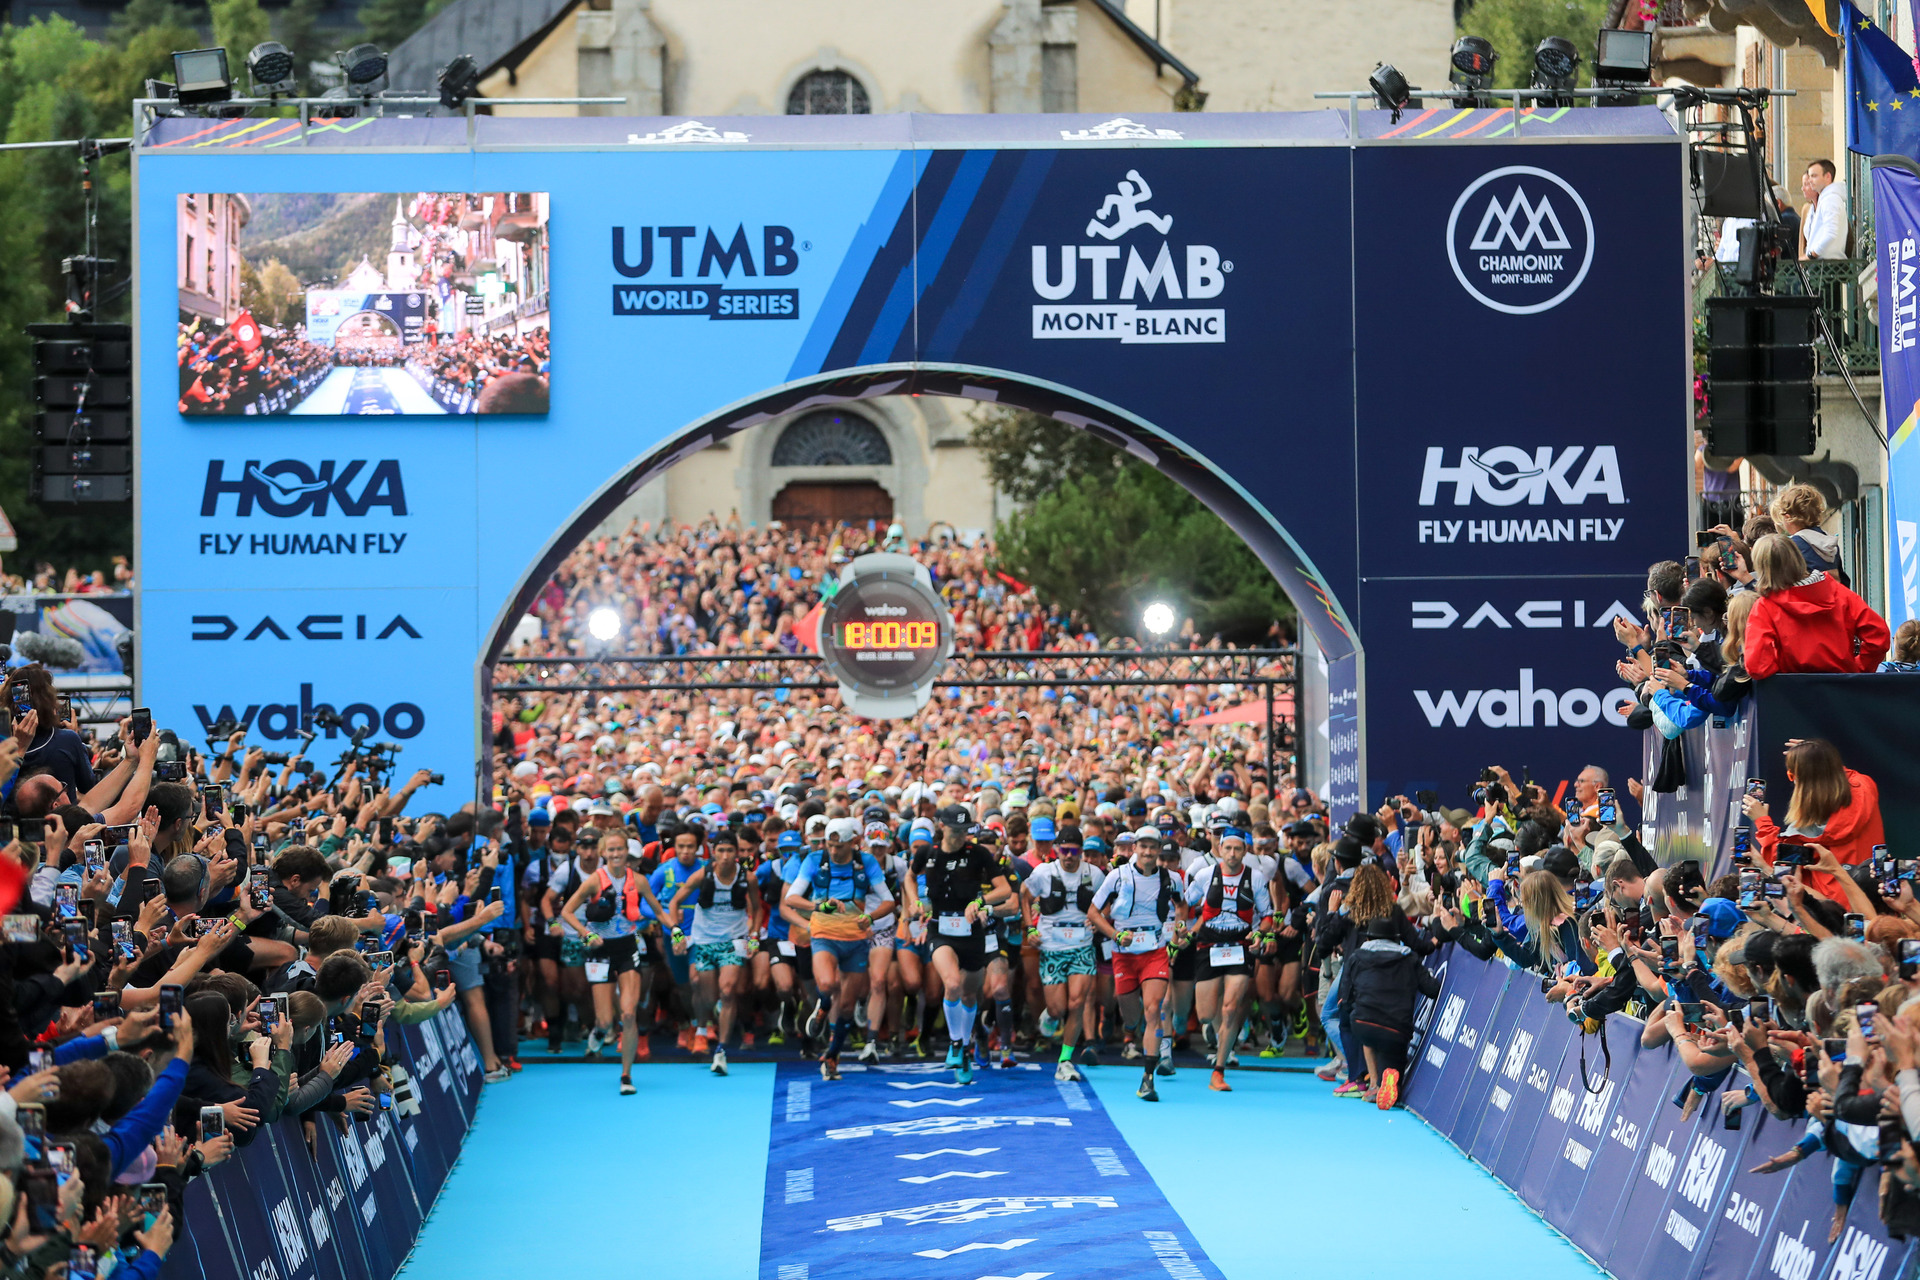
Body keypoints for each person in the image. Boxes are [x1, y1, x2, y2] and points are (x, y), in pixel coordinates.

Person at [558, 839, 672, 1096]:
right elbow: (567, 911)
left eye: (620, 849)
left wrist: (674, 930)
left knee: (629, 1013)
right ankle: (598, 1031)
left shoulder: (639, 880)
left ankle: (626, 1074)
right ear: (604, 854)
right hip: (599, 950)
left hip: (627, 948)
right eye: (611, 850)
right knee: (605, 1020)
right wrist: (585, 934)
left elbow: (658, 911)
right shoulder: (594, 880)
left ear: (627, 853)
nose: (616, 854)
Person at [783, 816, 893, 1080]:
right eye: (829, 846)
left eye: (839, 846)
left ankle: (832, 1055)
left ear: (852, 843)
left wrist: (871, 917)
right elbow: (791, 898)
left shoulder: (865, 862)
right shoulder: (814, 860)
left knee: (846, 1007)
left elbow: (888, 901)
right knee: (828, 984)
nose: (833, 851)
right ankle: (821, 1008)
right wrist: (819, 906)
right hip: (824, 934)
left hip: (855, 939)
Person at [910, 804, 1008, 1085]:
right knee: (951, 983)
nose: (961, 836)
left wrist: (980, 901)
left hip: (972, 931)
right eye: (956, 831)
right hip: (941, 927)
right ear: (942, 826)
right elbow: (909, 876)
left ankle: (965, 1048)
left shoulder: (977, 853)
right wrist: (914, 900)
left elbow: (1002, 889)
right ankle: (955, 1043)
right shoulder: (927, 853)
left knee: (968, 994)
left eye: (965, 831)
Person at [1087, 827, 1188, 1102]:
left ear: (1158, 850)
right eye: (1142, 846)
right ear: (1134, 849)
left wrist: (1179, 929)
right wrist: (1115, 934)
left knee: (1154, 1008)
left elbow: (1182, 906)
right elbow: (1093, 912)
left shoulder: (1172, 878)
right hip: (1123, 953)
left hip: (1155, 950)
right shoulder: (1117, 876)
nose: (1147, 852)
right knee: (1130, 1014)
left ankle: (1148, 1078)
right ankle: (1132, 1030)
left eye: (1152, 847)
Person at [1183, 828, 1274, 1092]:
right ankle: (1219, 1032)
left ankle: (1219, 1070)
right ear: (1220, 849)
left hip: (1240, 946)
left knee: (1230, 1008)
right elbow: (1185, 905)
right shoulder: (1204, 875)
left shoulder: (1254, 877)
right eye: (1228, 848)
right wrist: (1181, 928)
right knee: (1206, 1014)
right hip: (1209, 945)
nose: (1233, 854)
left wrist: (1260, 932)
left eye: (1238, 849)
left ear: (1245, 851)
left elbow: (1267, 915)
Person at [665, 829, 763, 1075]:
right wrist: (677, 931)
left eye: (731, 850)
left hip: (733, 939)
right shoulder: (702, 875)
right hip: (705, 940)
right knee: (709, 997)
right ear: (713, 853)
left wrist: (753, 936)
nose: (726, 856)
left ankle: (721, 1051)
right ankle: (707, 1022)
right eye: (721, 851)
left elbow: (757, 909)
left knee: (728, 991)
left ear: (737, 853)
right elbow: (674, 902)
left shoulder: (747, 878)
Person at [1744, 738, 1884, 905]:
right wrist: (1818, 756)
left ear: (1803, 780)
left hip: (1830, 908)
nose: (1793, 781)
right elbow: (1844, 776)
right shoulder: (1865, 786)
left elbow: (1780, 865)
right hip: (1873, 899)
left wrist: (1762, 822)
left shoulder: (1803, 829)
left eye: (1792, 775)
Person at [1741, 534, 1888, 678]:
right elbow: (1879, 635)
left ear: (1763, 569)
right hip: (1843, 689)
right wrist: (1859, 668)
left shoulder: (1765, 607)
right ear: (1797, 557)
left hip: (1794, 693)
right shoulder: (1838, 592)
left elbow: (1757, 666)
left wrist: (1782, 671)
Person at [1340, 915, 1442, 1110]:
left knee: (1368, 1036)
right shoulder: (1409, 958)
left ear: (1368, 939)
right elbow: (1432, 989)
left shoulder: (1356, 957)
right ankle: (1389, 1078)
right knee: (1394, 1059)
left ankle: (1374, 1084)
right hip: (1396, 1028)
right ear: (1396, 939)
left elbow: (1346, 998)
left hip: (1363, 1023)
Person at [1021, 832, 1101, 1081]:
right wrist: (1030, 928)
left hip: (1082, 945)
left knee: (1077, 1003)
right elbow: (1024, 895)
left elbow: (1108, 898)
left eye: (1074, 851)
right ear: (1056, 849)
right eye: (1064, 850)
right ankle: (1050, 1015)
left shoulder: (1094, 874)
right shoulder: (1044, 873)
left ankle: (1065, 1060)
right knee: (1057, 1009)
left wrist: (1099, 918)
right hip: (1052, 946)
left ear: (1081, 852)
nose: (1069, 856)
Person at [1801, 159, 1849, 261]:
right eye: (1809, 176)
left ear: (1827, 177)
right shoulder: (1826, 199)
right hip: (1823, 265)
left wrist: (1811, 255)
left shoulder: (1830, 199)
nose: (1810, 180)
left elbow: (1831, 234)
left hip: (1827, 266)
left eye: (1814, 176)